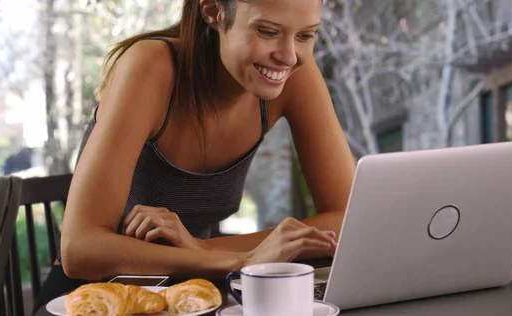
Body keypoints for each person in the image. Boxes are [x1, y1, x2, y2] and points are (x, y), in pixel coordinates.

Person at [34, 0, 355, 311]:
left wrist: (202, 248)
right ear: (214, 11)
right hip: (94, 299)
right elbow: (80, 249)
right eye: (267, 32)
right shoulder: (150, 65)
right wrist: (243, 260)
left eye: (305, 35)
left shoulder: (293, 73)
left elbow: (349, 217)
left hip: (194, 292)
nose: (289, 56)